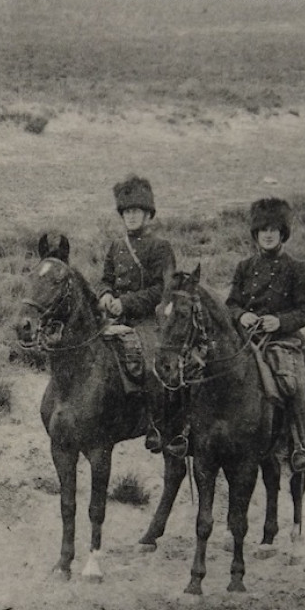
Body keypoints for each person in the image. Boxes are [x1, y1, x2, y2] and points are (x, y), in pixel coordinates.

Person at [227, 196, 305, 472]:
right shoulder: (244, 267)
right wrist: (242, 315)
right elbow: (231, 303)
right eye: (262, 230)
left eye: (273, 230)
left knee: (292, 384)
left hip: (281, 340)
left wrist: (278, 321)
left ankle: (298, 445)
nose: (267, 235)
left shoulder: (296, 268)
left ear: (282, 233)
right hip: (246, 338)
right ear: (255, 234)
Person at [96, 174, 180, 454]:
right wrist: (106, 294)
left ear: (147, 214)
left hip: (146, 319)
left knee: (150, 365)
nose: (131, 217)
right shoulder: (116, 246)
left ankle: (156, 425)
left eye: (137, 211)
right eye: (127, 212)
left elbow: (162, 289)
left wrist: (127, 303)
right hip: (115, 319)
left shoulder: (160, 247)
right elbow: (105, 278)